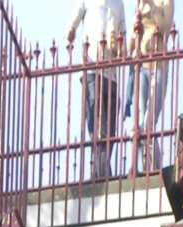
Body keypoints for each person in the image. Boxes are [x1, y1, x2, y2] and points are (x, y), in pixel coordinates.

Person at [67, 0, 127, 183]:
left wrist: (119, 48)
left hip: (111, 73)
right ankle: (101, 172)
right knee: (95, 121)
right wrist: (71, 29)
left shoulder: (119, 4)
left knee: (109, 127)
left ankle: (100, 170)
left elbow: (123, 36)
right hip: (92, 67)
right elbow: (76, 16)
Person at [125, 0, 174, 175]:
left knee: (147, 123)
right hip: (141, 67)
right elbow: (129, 47)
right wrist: (133, 29)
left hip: (158, 66)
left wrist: (152, 7)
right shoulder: (138, 4)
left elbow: (166, 27)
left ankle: (155, 169)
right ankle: (147, 168)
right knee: (138, 126)